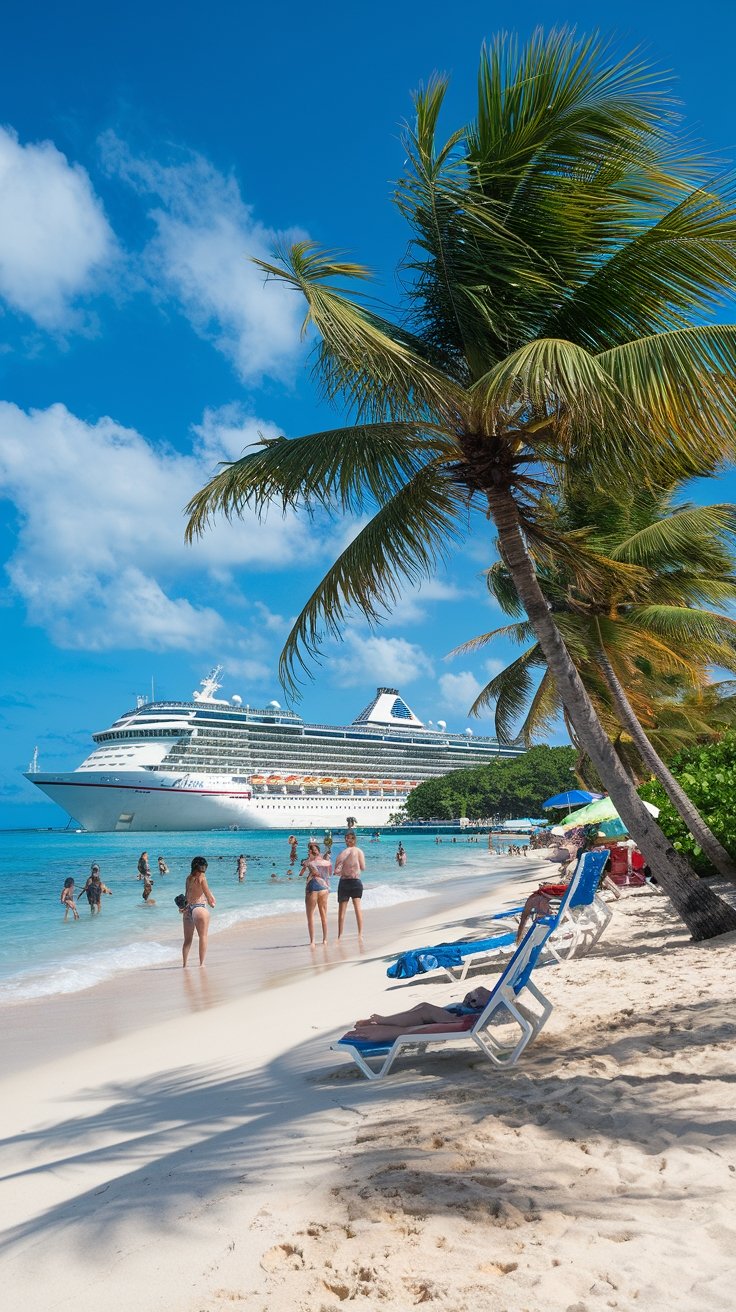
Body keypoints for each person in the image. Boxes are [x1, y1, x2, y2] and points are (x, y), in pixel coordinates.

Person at [346, 984, 492, 1043]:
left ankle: (382, 1021)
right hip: (472, 1015)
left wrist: (475, 997)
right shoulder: (505, 992)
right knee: (423, 1007)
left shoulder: (499, 998)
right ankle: (383, 1021)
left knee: (424, 1010)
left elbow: (483, 999)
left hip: (467, 1019)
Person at [181, 856, 215, 967]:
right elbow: (208, 895)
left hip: (188, 908)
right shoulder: (202, 878)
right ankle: (201, 964)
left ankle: (185, 965)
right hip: (199, 907)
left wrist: (183, 907)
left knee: (187, 940)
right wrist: (212, 902)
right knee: (203, 936)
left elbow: (186, 895)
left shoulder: (188, 878)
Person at [299, 840, 332, 947]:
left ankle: (312, 941)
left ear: (310, 851)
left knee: (310, 916)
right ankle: (325, 940)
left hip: (312, 887)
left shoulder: (309, 862)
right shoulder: (326, 861)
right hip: (324, 889)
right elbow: (330, 874)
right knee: (323, 915)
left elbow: (301, 873)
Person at [334, 830, 366, 940]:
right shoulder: (358, 851)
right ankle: (356, 934)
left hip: (347, 882)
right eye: (346, 838)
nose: (348, 840)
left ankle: (343, 935)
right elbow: (362, 867)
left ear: (354, 839)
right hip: (353, 881)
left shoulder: (344, 852)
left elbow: (337, 867)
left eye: (349, 838)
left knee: (350, 910)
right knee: (351, 909)